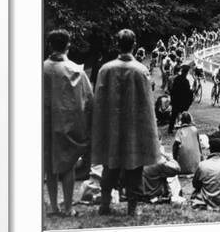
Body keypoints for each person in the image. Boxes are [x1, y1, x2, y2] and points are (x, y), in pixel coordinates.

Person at [91, 29, 160, 216]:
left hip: (111, 127)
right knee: (135, 167)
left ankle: (105, 204)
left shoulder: (105, 69)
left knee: (109, 165)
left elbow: (99, 102)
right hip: (134, 128)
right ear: (134, 44)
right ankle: (132, 207)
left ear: (116, 45)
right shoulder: (141, 71)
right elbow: (148, 104)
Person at [43, 29, 93, 217]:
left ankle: (54, 206)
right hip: (68, 123)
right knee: (68, 165)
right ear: (68, 46)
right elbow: (88, 98)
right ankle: (67, 207)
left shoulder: (42, 68)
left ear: (50, 45)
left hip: (46, 123)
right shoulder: (76, 70)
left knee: (50, 165)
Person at [169, 65, 194, 133]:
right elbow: (188, 92)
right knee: (183, 115)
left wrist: (172, 99)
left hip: (176, 100)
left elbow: (173, 90)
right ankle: (182, 128)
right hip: (182, 101)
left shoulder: (177, 79)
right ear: (186, 73)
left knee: (174, 115)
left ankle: (170, 128)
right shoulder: (186, 81)